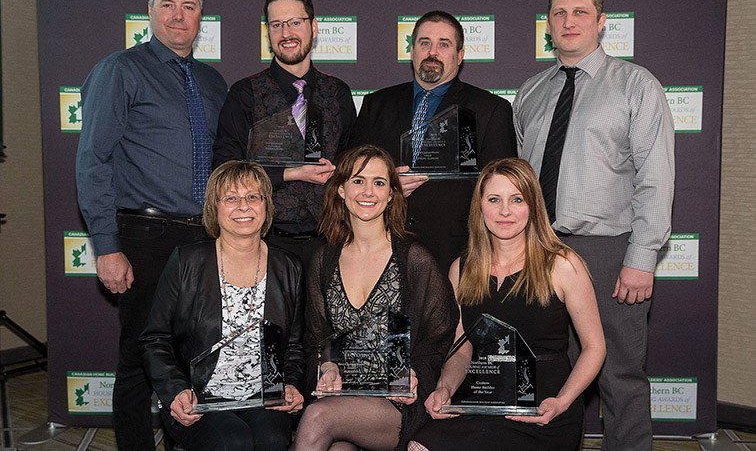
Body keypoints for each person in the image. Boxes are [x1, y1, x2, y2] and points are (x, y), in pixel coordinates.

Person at [513, 0, 675, 450]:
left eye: (580, 12)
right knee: (545, 371)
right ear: (548, 24)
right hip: (539, 249)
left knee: (619, 373)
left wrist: (642, 257)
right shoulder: (530, 92)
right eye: (560, 13)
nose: (569, 21)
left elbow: (655, 177)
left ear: (602, 22)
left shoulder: (636, 85)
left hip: (608, 251)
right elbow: (522, 181)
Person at [75, 0, 227, 450]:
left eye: (189, 6)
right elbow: (93, 161)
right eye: (168, 5)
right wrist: (106, 247)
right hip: (145, 235)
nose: (178, 15)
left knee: (196, 357)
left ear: (201, 17)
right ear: (150, 11)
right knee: (141, 358)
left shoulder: (212, 80)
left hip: (205, 237)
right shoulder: (120, 70)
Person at [409, 158, 606, 451]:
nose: (504, 211)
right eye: (494, 199)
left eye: (517, 199)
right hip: (484, 398)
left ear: (533, 206)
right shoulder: (462, 269)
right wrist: (446, 388)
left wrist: (562, 401)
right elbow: (462, 348)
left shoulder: (562, 265)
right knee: (419, 447)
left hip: (543, 408)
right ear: (480, 207)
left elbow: (594, 348)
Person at [293, 145, 458, 451]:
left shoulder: (415, 260)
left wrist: (413, 376)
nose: (368, 191)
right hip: (344, 398)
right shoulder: (323, 260)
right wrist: (327, 367)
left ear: (392, 194)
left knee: (318, 418)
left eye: (379, 182)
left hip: (396, 403)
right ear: (341, 189)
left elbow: (439, 344)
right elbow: (317, 339)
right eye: (358, 181)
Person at [139, 161, 305, 450]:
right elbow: (154, 339)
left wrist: (291, 383)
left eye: (253, 196)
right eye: (231, 198)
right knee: (233, 440)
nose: (244, 206)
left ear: (266, 205)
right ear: (214, 208)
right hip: (197, 396)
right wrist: (175, 390)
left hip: (262, 396)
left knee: (272, 438)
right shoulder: (186, 262)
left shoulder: (288, 267)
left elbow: (293, 346)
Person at [349, 10, 517, 270]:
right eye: (424, 43)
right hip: (381, 243)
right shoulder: (376, 104)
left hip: (457, 251)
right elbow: (350, 173)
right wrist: (386, 185)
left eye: (444, 44)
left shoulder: (490, 109)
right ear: (412, 50)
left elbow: (500, 186)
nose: (432, 52)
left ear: (459, 55)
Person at [213, 0, 356, 267]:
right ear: (267, 32)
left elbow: (351, 161)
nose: (286, 33)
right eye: (276, 24)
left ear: (313, 27)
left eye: (295, 22)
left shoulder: (337, 91)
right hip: (264, 243)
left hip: (329, 243)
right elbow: (225, 168)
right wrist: (291, 173)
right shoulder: (244, 94)